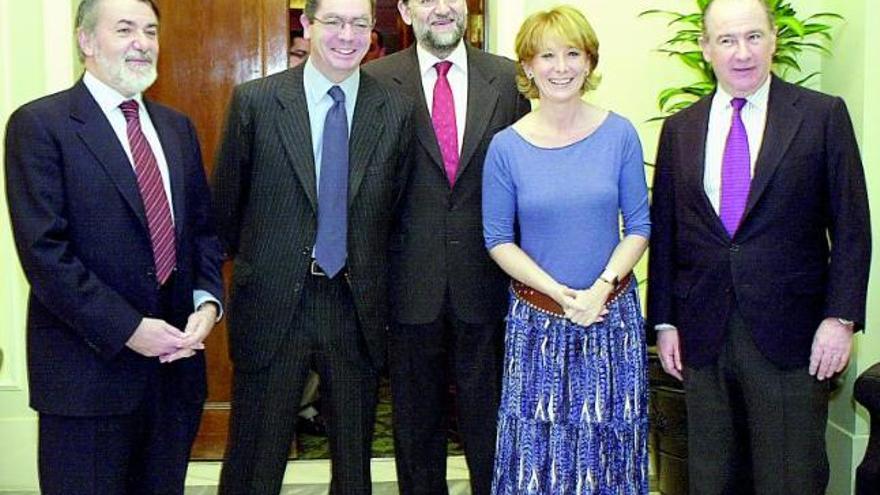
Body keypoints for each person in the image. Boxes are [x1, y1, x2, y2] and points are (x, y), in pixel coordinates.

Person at [647, 0, 871, 492]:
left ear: (774, 39)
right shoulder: (680, 129)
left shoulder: (821, 116)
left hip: (793, 340)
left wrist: (840, 319)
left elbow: (852, 227)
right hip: (702, 338)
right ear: (706, 49)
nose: (741, 53)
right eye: (726, 40)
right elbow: (666, 233)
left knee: (789, 477)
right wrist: (664, 322)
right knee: (711, 477)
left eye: (753, 37)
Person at [3, 0, 224, 493]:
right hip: (88, 379)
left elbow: (203, 234)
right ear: (85, 41)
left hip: (173, 379)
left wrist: (207, 304)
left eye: (150, 30)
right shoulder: (40, 126)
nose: (142, 43)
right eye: (124, 29)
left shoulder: (176, 128)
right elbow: (45, 254)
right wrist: (129, 329)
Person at [212, 0, 412, 492]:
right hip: (276, 305)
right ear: (307, 24)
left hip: (356, 306)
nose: (348, 35)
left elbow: (398, 213)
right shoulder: (256, 102)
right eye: (334, 22)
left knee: (353, 466)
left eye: (360, 24)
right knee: (255, 463)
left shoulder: (397, 108)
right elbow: (224, 210)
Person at [482, 6, 651, 494]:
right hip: (536, 326)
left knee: (609, 457)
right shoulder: (506, 148)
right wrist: (559, 293)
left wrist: (600, 290)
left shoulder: (619, 134)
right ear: (528, 67)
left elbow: (638, 225)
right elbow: (497, 239)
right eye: (547, 56)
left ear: (590, 61)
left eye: (572, 53)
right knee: (538, 461)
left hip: (609, 320)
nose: (561, 67)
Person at [364, 0, 529, 492]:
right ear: (406, 10)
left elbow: (523, 181)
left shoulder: (506, 79)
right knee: (415, 431)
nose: (442, 8)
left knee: (490, 424)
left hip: (489, 281)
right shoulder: (374, 81)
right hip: (409, 284)